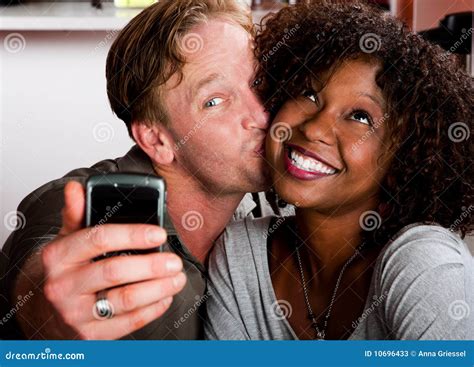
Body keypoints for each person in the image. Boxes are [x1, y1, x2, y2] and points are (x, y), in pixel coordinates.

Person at [0, 0, 292, 340]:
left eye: (259, 83)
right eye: (214, 100)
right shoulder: (79, 203)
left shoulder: (278, 207)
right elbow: (42, 273)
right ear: (157, 141)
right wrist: (53, 310)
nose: (260, 116)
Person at [205, 0, 473, 340]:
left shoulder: (423, 263)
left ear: (404, 158)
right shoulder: (239, 253)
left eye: (360, 116)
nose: (315, 128)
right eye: (309, 94)